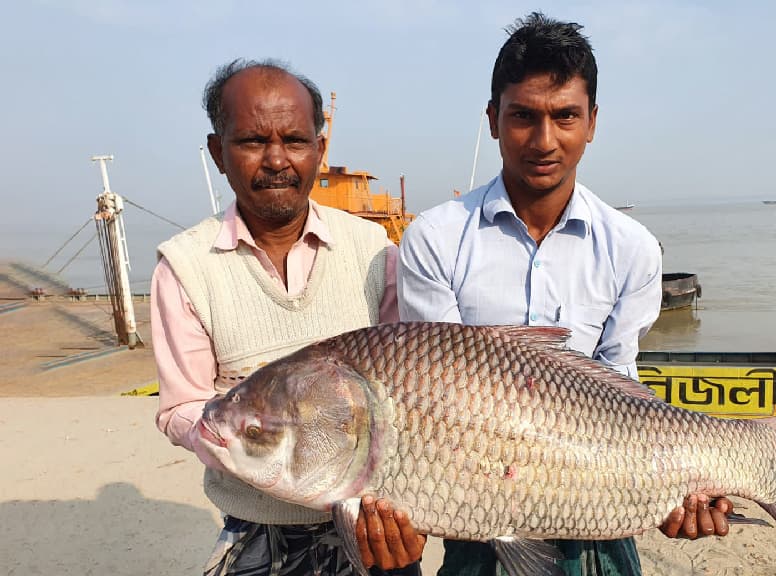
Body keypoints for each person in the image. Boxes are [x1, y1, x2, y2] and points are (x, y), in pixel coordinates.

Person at [398, 12, 732, 576]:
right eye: (524, 116)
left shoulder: (633, 249)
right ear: (493, 120)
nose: (544, 140)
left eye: (565, 117)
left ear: (592, 122)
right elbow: (444, 396)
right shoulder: (435, 237)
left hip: (598, 522)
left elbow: (619, 384)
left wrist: (680, 487)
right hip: (480, 513)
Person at [151, 59, 423, 576]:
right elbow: (181, 405)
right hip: (258, 534)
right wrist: (248, 427)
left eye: (296, 140)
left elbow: (406, 389)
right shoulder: (184, 267)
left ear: (319, 150)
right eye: (253, 141)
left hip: (373, 526)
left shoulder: (373, 251)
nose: (277, 160)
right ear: (218, 152)